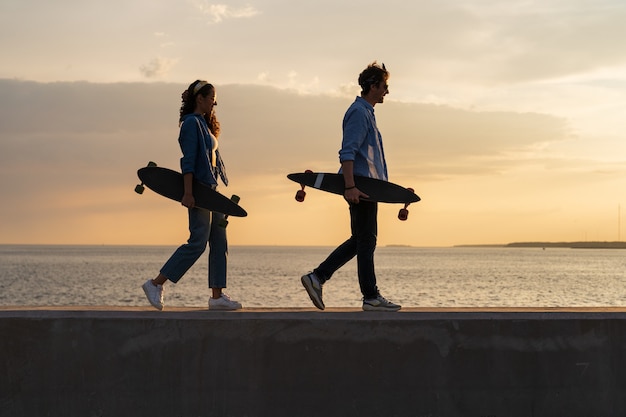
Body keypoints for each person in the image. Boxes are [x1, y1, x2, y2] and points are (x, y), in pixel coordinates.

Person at [301, 62, 401, 312]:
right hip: (360, 186)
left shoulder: (366, 112)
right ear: (372, 85)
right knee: (367, 241)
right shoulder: (358, 112)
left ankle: (318, 277)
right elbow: (347, 152)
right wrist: (350, 186)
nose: (386, 91)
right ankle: (370, 296)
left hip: (367, 186)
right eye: (384, 86)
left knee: (361, 240)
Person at [142, 80, 242, 311]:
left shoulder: (203, 124)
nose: (214, 102)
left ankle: (217, 296)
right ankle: (155, 283)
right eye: (211, 98)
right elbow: (188, 161)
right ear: (200, 99)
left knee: (219, 241)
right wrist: (188, 193)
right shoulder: (190, 124)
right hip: (198, 189)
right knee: (197, 241)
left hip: (211, 188)